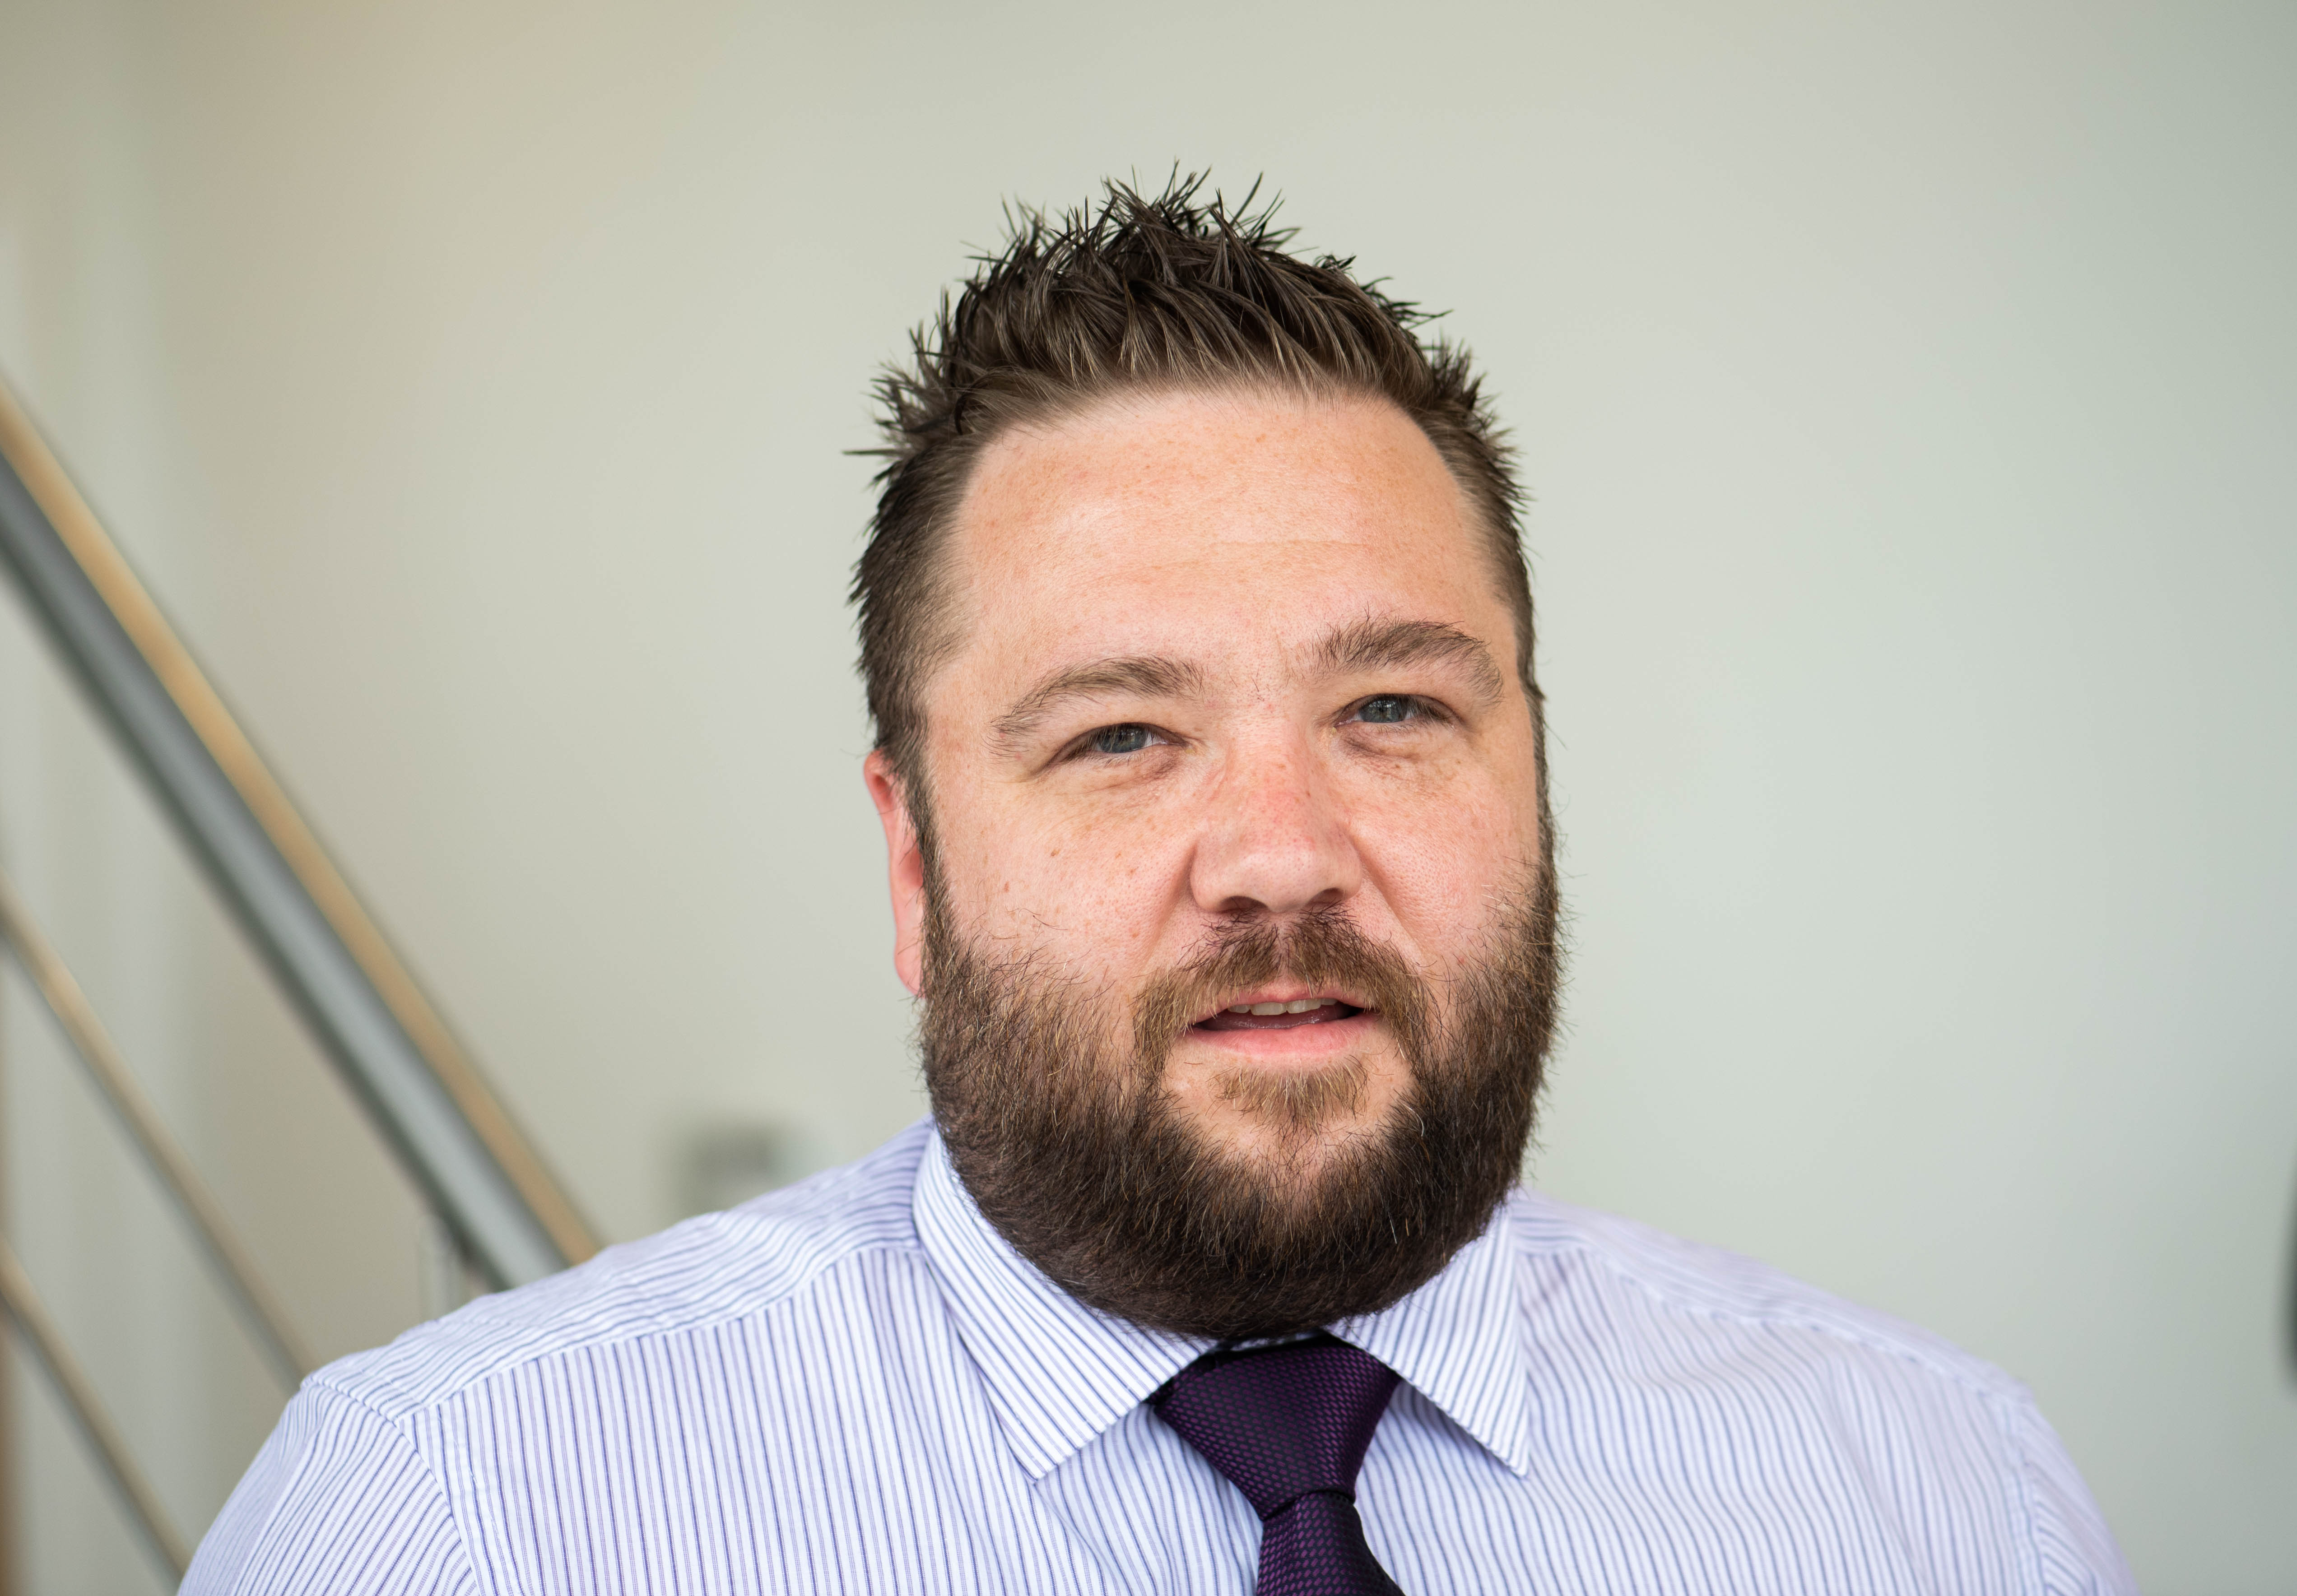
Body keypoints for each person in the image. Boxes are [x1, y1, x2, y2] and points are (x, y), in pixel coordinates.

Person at [188, 176, 2134, 1594]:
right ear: (912, 857)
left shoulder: (1941, 1495)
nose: (1281, 854)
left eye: (1391, 707)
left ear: (1535, 775)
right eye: (1122, 734)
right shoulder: (452, 1518)